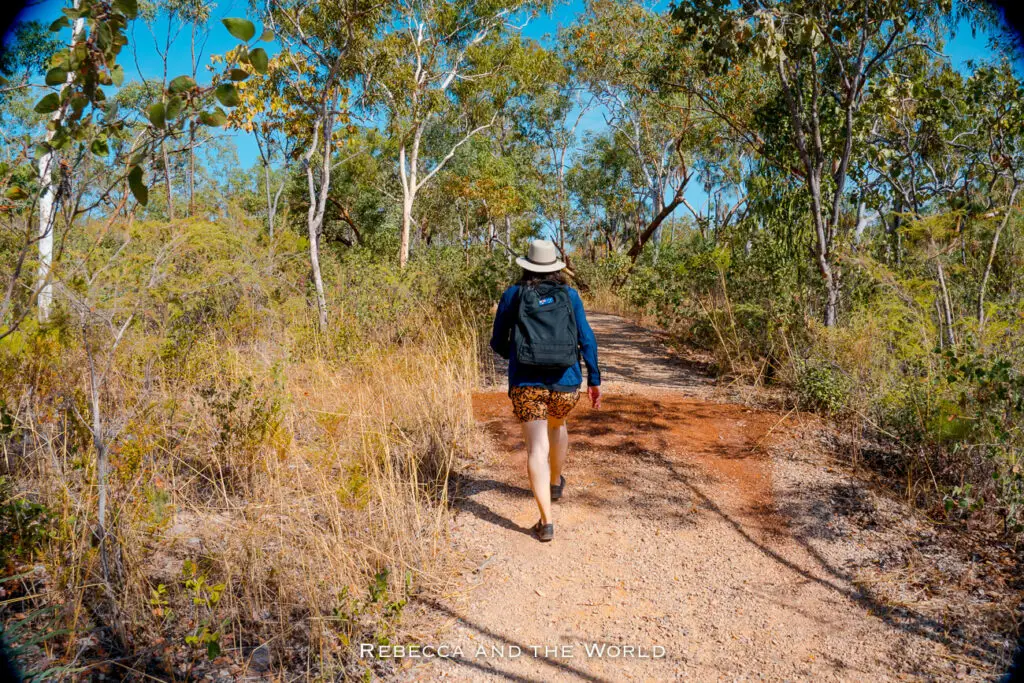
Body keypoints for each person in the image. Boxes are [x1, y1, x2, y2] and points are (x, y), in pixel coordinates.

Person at [489, 239, 602, 542]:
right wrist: (594, 379)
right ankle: (555, 481)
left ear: (527, 266)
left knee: (536, 448)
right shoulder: (570, 295)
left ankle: (546, 521)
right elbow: (587, 338)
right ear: (556, 267)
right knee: (558, 424)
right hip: (566, 383)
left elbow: (498, 341)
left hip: (527, 385)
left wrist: (519, 356)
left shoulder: (513, 295)